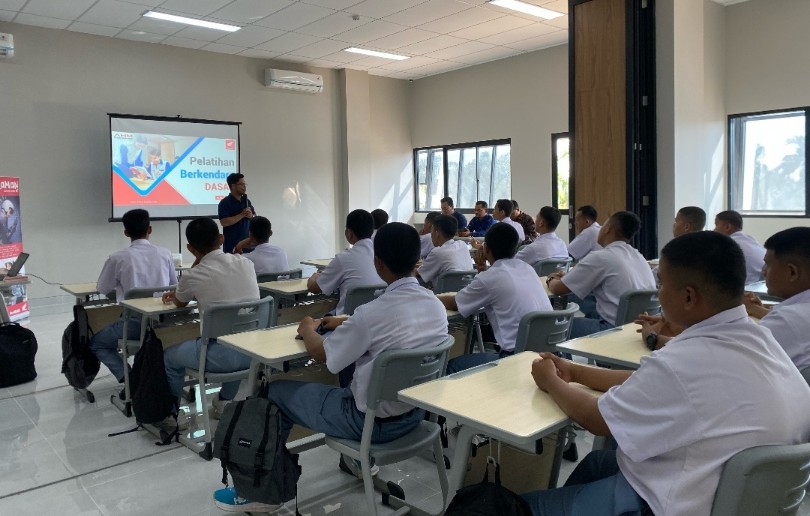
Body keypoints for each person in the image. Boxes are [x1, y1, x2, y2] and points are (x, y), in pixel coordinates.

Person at [523, 230, 810, 516]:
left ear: (688, 296)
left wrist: (550, 381)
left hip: (673, 502)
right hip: (738, 493)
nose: (658, 293)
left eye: (662, 285)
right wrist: (575, 371)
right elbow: (650, 382)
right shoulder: (760, 340)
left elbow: (596, 419)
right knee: (597, 462)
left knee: (527, 505)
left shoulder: (683, 361)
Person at [212, 223, 449, 513]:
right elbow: (394, 327)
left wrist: (308, 326)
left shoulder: (371, 315)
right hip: (414, 416)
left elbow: (322, 353)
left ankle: (262, 489)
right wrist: (349, 322)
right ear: (418, 260)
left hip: (369, 426)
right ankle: (355, 464)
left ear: (377, 263)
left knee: (274, 390)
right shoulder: (435, 306)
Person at [162, 218, 260, 419]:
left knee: (169, 356)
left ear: (190, 248)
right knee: (235, 337)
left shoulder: (193, 275)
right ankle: (224, 401)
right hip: (253, 352)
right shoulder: (247, 263)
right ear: (222, 238)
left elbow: (180, 302)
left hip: (218, 357)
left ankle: (173, 414)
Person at [439, 223, 552, 374]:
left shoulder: (490, 278)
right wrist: (482, 270)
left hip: (513, 360)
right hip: (544, 354)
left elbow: (455, 303)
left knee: (451, 366)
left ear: (486, 249)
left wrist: (433, 298)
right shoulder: (526, 268)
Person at [90, 209, 177, 384]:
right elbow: (174, 285)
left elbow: (102, 288)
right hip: (164, 322)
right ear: (150, 229)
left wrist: (122, 290)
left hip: (134, 324)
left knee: (97, 343)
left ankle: (129, 378)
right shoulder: (165, 254)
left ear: (126, 232)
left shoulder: (117, 258)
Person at [547, 211, 656, 338]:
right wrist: (567, 278)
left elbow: (557, 289)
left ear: (608, 228)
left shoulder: (602, 257)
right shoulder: (638, 256)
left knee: (554, 325)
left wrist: (550, 278)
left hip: (612, 329)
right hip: (638, 329)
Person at [743, 227, 810, 369]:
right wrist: (757, 309)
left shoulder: (787, 320)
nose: (763, 271)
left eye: (767, 264)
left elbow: (740, 357)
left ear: (792, 272)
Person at [307, 209, 380, 315]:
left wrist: (313, 277)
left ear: (349, 233)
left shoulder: (343, 259)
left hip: (346, 322)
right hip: (375, 318)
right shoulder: (381, 256)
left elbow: (315, 289)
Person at [417, 214, 473, 286]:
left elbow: (419, 274)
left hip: (442, 295)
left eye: (432, 231)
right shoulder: (462, 245)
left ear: (437, 233)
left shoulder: (437, 252)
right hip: (465, 290)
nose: (431, 235)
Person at [713, 210, 765, 284]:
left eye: (716, 225)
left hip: (744, 290)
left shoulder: (728, 244)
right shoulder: (751, 240)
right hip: (759, 286)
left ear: (727, 227)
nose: (714, 230)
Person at [218, 173, 255, 254]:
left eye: (245, 184)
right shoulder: (225, 202)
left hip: (248, 245)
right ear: (233, 186)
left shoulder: (246, 201)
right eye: (241, 184)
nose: (244, 186)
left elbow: (254, 216)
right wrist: (242, 215)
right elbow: (224, 222)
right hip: (232, 247)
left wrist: (251, 216)